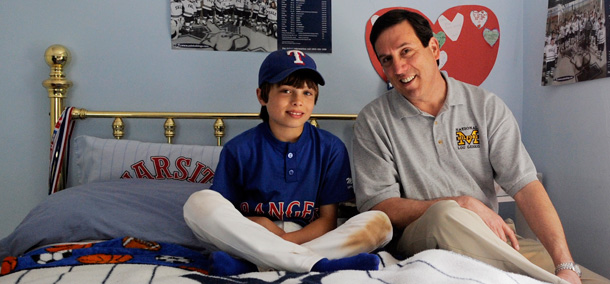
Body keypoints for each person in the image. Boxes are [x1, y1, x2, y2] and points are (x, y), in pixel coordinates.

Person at [352, 9, 610, 284]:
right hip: (420, 241)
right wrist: (460, 203)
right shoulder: (373, 121)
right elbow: (379, 206)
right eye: (387, 60)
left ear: (434, 47)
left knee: (588, 279)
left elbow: (526, 186)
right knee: (445, 214)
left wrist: (565, 263)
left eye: (406, 51)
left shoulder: (485, 107)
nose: (398, 68)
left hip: (492, 239)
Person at [184, 49, 392, 276]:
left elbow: (327, 221)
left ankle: (257, 266)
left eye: (307, 93)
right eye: (286, 91)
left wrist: (285, 241)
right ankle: (315, 264)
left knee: (380, 222)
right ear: (262, 96)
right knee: (198, 202)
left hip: (307, 236)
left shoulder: (330, 148)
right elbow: (227, 216)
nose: (297, 101)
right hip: (252, 237)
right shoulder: (238, 149)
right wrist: (260, 223)